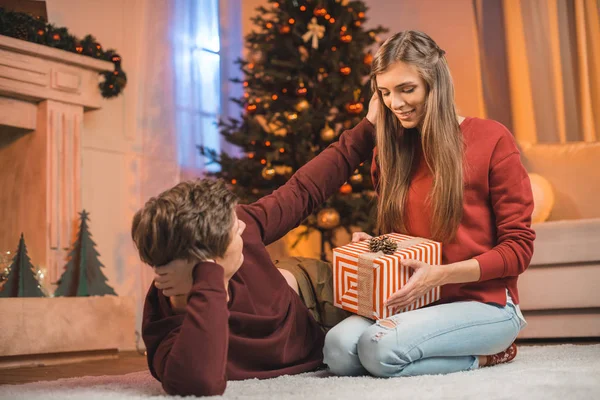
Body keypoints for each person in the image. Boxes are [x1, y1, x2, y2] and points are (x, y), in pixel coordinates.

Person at [323, 30, 535, 377]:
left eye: (407, 89)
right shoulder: (389, 151)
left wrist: (439, 276)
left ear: (435, 84)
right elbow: (406, 240)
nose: (396, 103)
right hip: (417, 301)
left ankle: (491, 354)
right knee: (338, 351)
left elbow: (518, 249)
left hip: (487, 304)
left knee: (378, 348)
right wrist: (378, 247)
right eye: (385, 92)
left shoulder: (491, 139)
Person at [131, 119, 373, 397]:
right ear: (208, 262)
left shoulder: (237, 224)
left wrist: (368, 127)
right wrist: (216, 282)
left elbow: (303, 190)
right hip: (310, 325)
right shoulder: (172, 334)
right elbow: (197, 384)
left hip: (311, 289)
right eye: (233, 230)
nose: (242, 226)